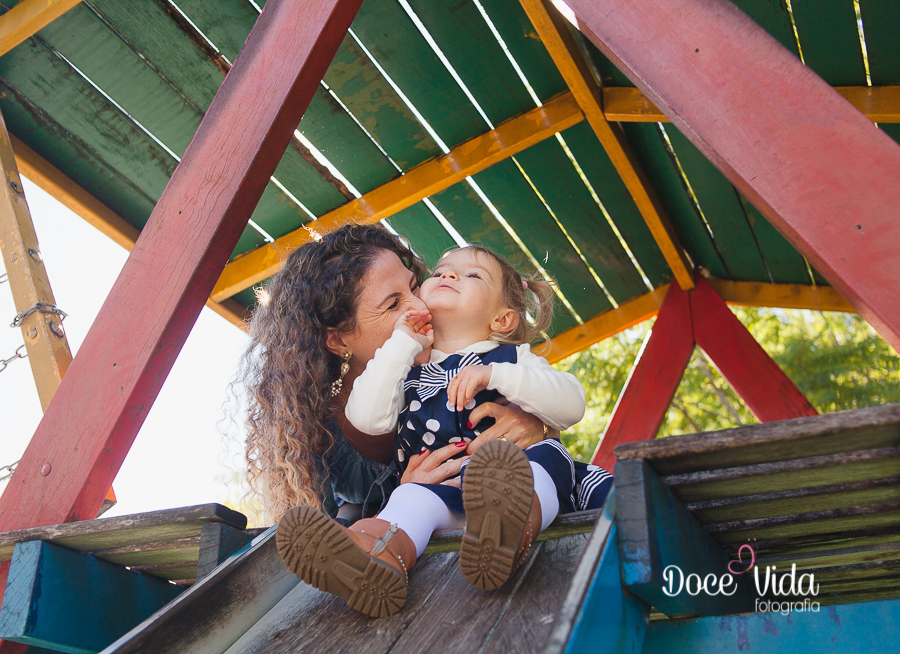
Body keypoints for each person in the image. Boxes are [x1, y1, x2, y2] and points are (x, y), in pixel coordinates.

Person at [276, 245, 589, 617]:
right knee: (409, 501)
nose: (448, 276)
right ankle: (382, 557)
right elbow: (367, 419)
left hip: (510, 478)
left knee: (542, 462)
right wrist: (401, 346)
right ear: (339, 338)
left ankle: (512, 525)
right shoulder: (404, 368)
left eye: (472, 275)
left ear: (502, 319)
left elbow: (573, 404)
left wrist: (501, 379)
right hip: (442, 491)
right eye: (441, 271)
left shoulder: (512, 358)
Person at [242, 224, 552, 527]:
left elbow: (552, 428)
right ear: (337, 340)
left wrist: (539, 424)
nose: (421, 306)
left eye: (415, 286)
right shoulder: (313, 428)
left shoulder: (468, 362)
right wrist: (405, 499)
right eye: (393, 304)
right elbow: (317, 548)